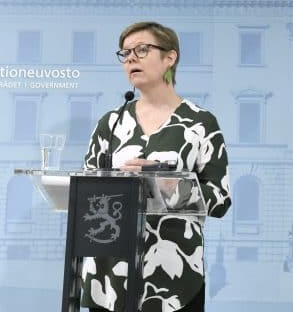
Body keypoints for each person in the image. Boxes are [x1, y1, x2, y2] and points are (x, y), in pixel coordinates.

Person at [83, 21, 231, 312]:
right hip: (109, 277)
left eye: (141, 49)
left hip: (174, 279)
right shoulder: (110, 123)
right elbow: (86, 192)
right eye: (125, 53)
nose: (131, 59)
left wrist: (169, 184)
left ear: (170, 57)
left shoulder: (200, 123)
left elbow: (220, 199)